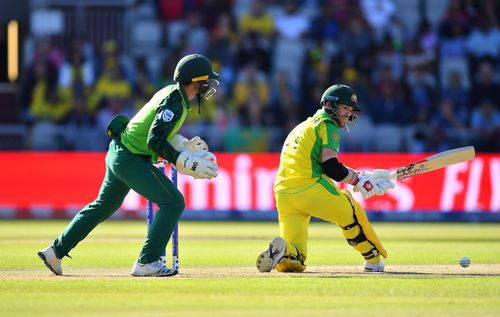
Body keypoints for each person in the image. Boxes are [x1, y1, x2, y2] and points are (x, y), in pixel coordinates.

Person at [38, 54, 220, 277]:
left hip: (119, 152)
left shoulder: (172, 94)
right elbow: (154, 140)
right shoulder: (175, 101)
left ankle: (55, 251)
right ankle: (147, 261)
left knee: (102, 206)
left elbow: (156, 131)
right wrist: (182, 160)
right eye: (207, 80)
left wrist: (183, 144)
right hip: (131, 158)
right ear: (196, 80)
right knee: (173, 202)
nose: (209, 85)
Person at [256, 84, 394, 273]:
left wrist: (360, 176)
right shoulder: (328, 125)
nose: (348, 113)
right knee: (350, 210)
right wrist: (358, 180)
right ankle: (373, 260)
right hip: (308, 187)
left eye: (350, 109)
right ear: (329, 104)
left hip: (283, 195)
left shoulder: (302, 126)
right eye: (344, 108)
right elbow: (331, 167)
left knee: (296, 260)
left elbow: (323, 164)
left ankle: (283, 250)